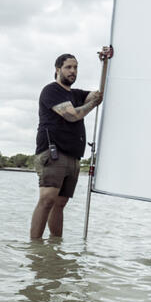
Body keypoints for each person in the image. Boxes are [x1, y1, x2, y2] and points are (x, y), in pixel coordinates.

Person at [29, 52, 103, 238]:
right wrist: (93, 105)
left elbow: (99, 93)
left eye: (76, 67)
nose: (73, 71)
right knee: (47, 200)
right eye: (68, 67)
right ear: (57, 70)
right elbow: (72, 115)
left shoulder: (77, 94)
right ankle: (35, 248)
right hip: (53, 153)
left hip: (73, 156)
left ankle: (55, 249)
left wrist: (105, 63)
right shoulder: (51, 90)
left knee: (60, 204)